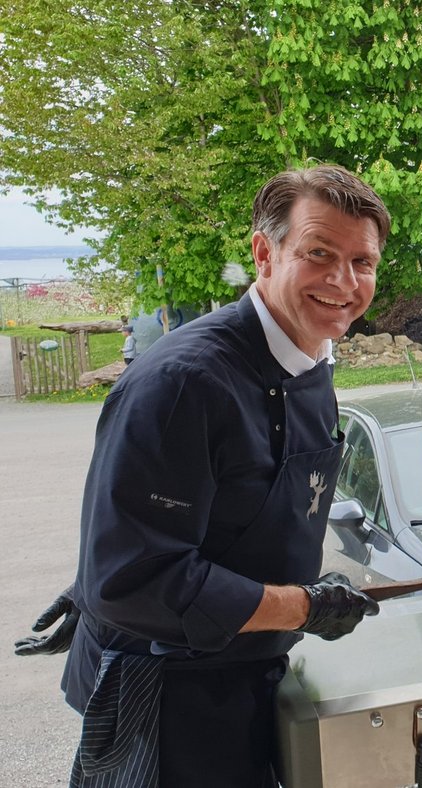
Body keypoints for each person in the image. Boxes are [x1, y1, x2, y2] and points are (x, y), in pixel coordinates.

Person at [14, 164, 389, 787]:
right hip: (162, 702)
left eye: (363, 262)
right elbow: (132, 579)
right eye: (319, 253)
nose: (344, 282)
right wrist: (302, 605)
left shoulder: (311, 356)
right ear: (264, 254)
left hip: (247, 674)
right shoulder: (183, 383)